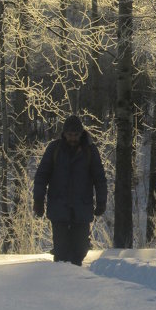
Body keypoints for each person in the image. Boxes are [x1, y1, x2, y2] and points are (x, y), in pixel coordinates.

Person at [33, 114, 107, 266]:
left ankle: (75, 284)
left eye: (76, 135)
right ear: (64, 134)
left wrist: (101, 201)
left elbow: (99, 178)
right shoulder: (54, 149)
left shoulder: (90, 151)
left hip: (82, 209)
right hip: (59, 208)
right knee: (61, 253)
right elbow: (42, 175)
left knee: (80, 251)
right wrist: (38, 199)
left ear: (81, 134)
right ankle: (60, 285)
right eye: (69, 134)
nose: (72, 138)